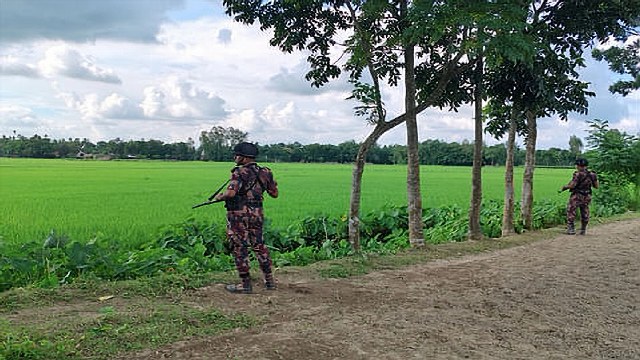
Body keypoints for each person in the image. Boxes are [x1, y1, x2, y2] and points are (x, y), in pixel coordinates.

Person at [213, 142, 279, 294]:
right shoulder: (266, 172)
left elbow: (230, 194)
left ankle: (245, 284)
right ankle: (269, 281)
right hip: (257, 214)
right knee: (259, 245)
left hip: (239, 215)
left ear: (243, 157)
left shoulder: (239, 172)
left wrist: (219, 197)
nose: (234, 158)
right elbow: (274, 194)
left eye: (236, 155)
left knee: (239, 247)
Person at [560, 158, 599, 235]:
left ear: (578, 166)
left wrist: (565, 187)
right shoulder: (592, 174)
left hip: (577, 195)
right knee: (585, 211)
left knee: (571, 210)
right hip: (587, 195)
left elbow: (572, 185)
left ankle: (571, 229)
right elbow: (596, 186)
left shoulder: (577, 174)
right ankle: (583, 229)